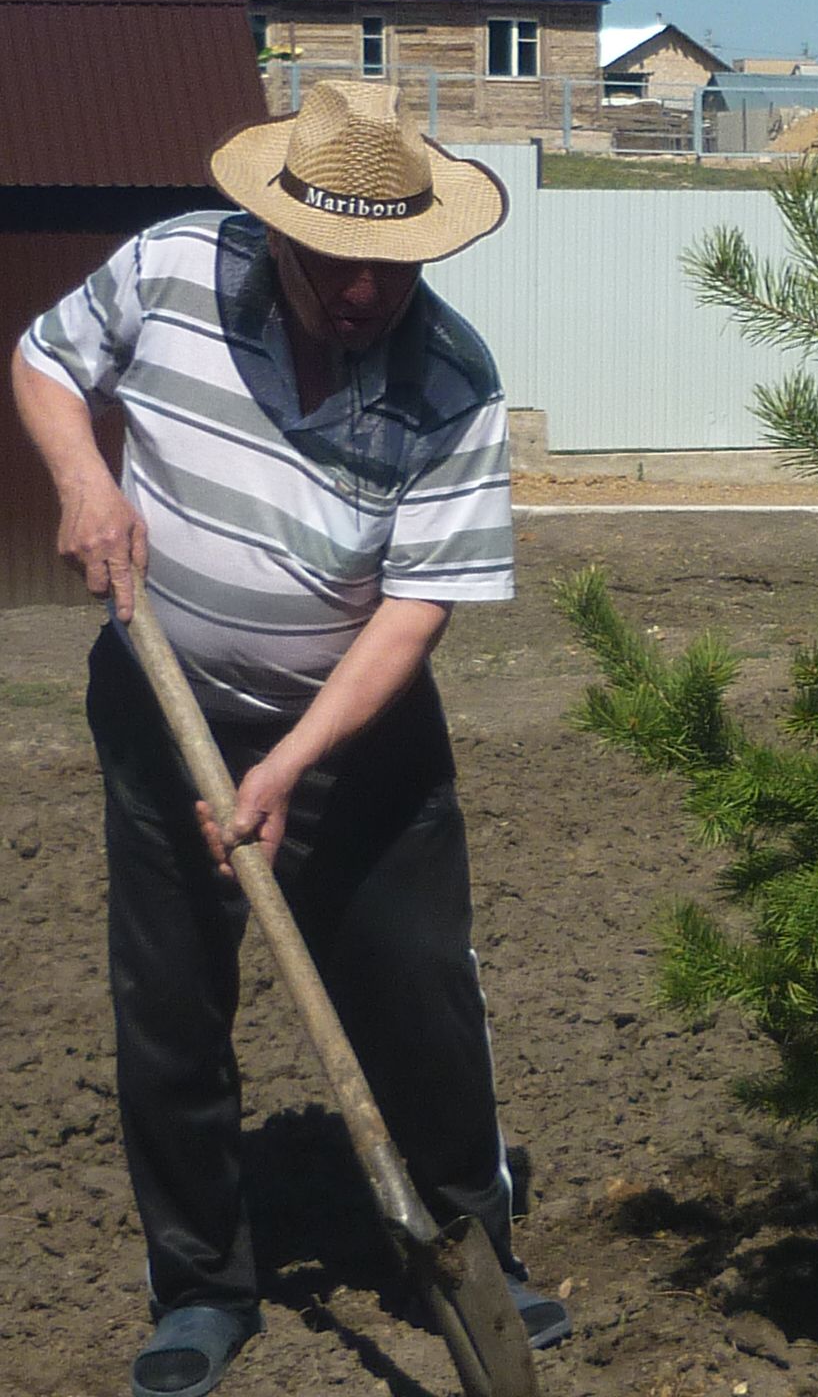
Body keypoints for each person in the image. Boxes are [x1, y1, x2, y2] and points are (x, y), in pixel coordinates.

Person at [10, 79, 568, 1397]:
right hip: (160, 708)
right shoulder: (167, 271)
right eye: (338, 260)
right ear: (275, 230)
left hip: (356, 739)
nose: (366, 289)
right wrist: (87, 480)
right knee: (171, 1008)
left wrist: (290, 764)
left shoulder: (452, 382)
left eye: (392, 261)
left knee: (422, 996)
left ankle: (469, 1251)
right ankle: (201, 1284)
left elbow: (412, 616)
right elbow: (43, 360)